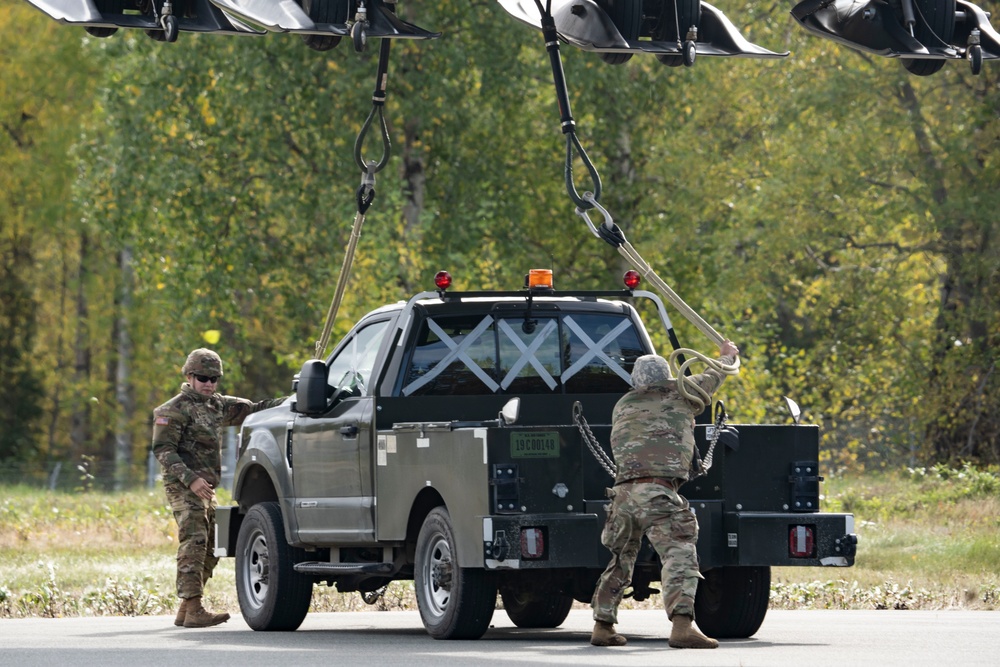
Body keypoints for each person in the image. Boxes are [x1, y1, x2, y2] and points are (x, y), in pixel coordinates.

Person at [590, 340, 740, 648]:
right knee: (680, 553)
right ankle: (682, 626)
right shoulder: (681, 394)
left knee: (620, 559)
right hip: (658, 491)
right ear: (666, 377)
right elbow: (714, 375)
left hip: (623, 495)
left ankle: (602, 625)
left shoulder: (623, 404)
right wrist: (727, 355)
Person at [152, 348, 287, 628]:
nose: (209, 384)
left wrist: (295, 399)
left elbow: (258, 408)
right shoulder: (172, 410)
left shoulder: (217, 405)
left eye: (215, 379)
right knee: (194, 542)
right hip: (184, 486)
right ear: (189, 376)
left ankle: (186, 609)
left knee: (212, 543)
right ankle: (194, 606)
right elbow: (163, 449)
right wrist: (190, 479)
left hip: (206, 488)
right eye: (203, 377)